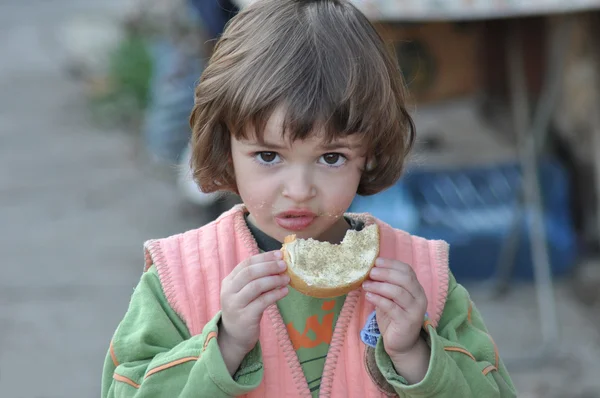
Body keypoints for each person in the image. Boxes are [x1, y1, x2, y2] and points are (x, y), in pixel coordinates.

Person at [101, 0, 517, 396]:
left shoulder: (422, 275)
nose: (299, 190)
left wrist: (416, 355)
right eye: (268, 156)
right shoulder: (178, 280)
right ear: (225, 147)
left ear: (369, 153)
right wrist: (224, 346)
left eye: (331, 157)